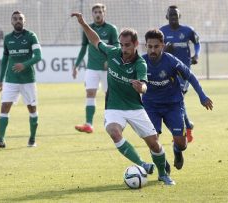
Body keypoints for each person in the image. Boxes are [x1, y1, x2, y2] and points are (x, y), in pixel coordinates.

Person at [71, 12, 175, 185]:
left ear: (135, 44)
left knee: (154, 144)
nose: (124, 49)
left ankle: (163, 174)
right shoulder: (113, 53)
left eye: (127, 45)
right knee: (113, 131)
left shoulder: (140, 64)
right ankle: (142, 164)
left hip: (135, 107)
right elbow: (96, 40)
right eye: (122, 44)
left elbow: (144, 85)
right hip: (114, 107)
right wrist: (82, 23)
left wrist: (140, 87)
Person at [142, 29, 213, 171]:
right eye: (150, 47)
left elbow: (190, 76)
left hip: (172, 105)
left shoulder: (170, 60)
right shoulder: (141, 62)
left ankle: (177, 150)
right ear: (146, 46)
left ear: (162, 45)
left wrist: (202, 96)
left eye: (156, 46)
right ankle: (162, 166)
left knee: (182, 143)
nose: (153, 50)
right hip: (151, 106)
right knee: (152, 141)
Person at [0, 11, 42, 148]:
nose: (18, 20)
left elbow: (38, 56)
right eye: (15, 19)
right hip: (11, 80)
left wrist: (24, 65)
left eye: (20, 19)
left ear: (25, 21)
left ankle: (32, 138)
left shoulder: (31, 36)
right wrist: (1, 80)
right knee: (4, 107)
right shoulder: (7, 39)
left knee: (32, 109)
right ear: (11, 22)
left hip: (28, 80)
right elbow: (5, 59)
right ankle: (0, 139)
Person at [72, 3, 119, 133]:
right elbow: (83, 47)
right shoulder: (88, 29)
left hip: (107, 69)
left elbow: (117, 47)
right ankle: (88, 124)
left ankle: (111, 121)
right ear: (92, 14)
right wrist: (76, 65)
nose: (98, 14)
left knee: (109, 95)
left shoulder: (111, 29)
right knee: (90, 93)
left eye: (100, 12)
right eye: (95, 12)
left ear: (104, 13)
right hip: (92, 68)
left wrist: (109, 60)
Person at [159, 5, 201, 142]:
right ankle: (187, 127)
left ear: (179, 16)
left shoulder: (188, 31)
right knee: (177, 100)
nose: (173, 18)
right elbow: (157, 49)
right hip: (168, 70)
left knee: (178, 97)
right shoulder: (161, 32)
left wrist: (196, 56)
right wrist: (165, 49)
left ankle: (184, 130)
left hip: (184, 70)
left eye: (175, 15)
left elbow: (197, 43)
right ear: (167, 17)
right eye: (171, 15)